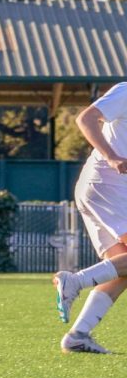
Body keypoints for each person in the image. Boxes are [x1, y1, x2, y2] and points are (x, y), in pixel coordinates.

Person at [52, 82, 127, 353]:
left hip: (102, 188)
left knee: (122, 268)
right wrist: (111, 156)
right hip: (108, 185)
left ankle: (78, 336)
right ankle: (75, 281)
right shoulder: (126, 91)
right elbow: (85, 118)